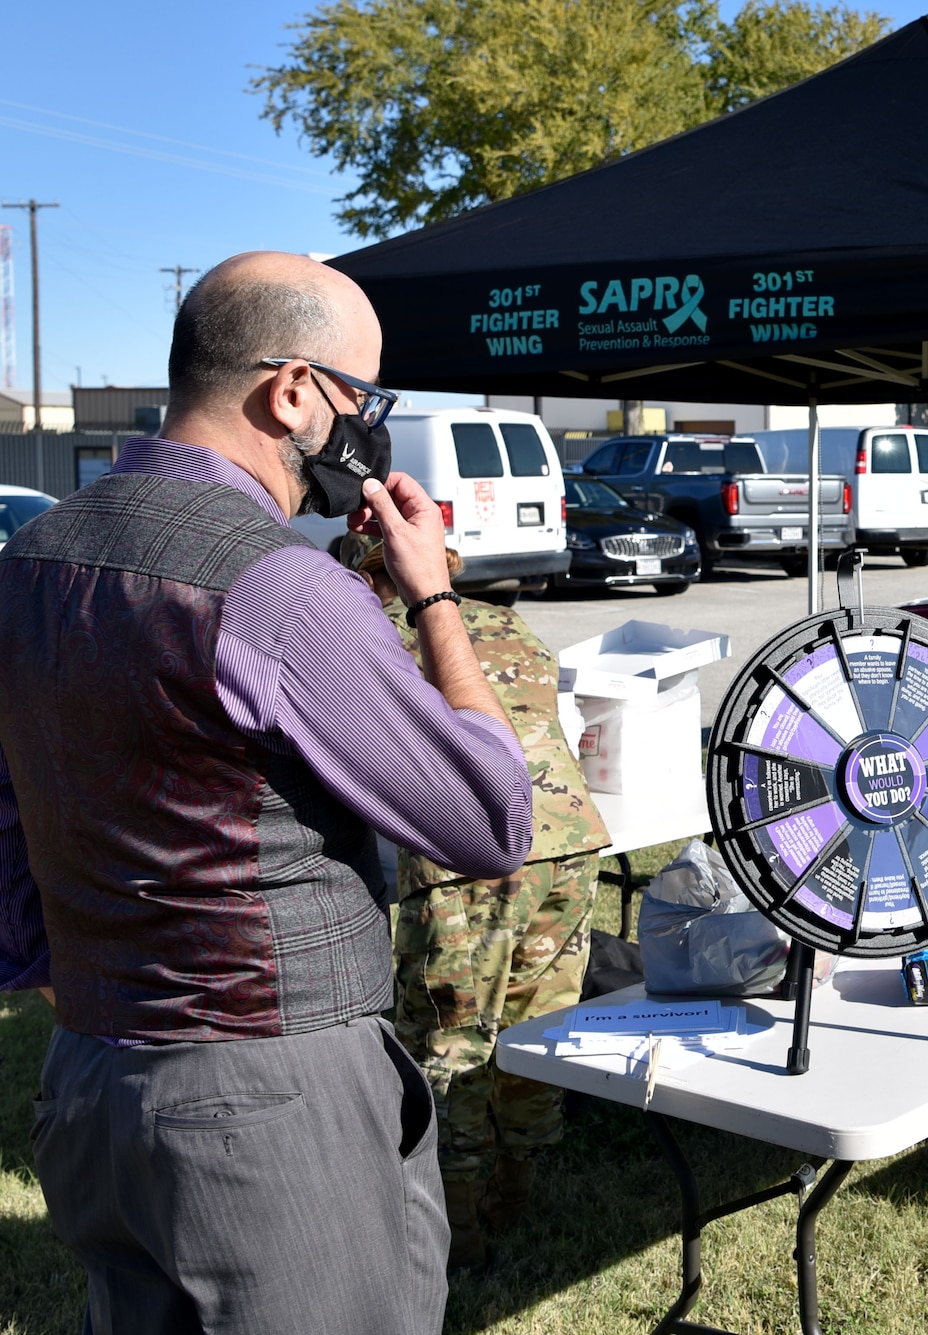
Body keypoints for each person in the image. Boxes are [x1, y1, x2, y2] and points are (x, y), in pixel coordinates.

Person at [0, 251, 533, 1332]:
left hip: (92, 1087)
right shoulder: (277, 584)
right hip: (264, 1108)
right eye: (360, 400)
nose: (363, 433)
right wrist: (431, 595)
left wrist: (52, 973)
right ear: (290, 391)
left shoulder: (34, 553)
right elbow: (488, 820)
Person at [342, 534, 610, 1266]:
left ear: (367, 575)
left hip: (469, 854)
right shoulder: (506, 621)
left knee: (448, 1040)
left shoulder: (372, 630)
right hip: (568, 839)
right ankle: (515, 1190)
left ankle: (456, 1230)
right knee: (536, 1031)